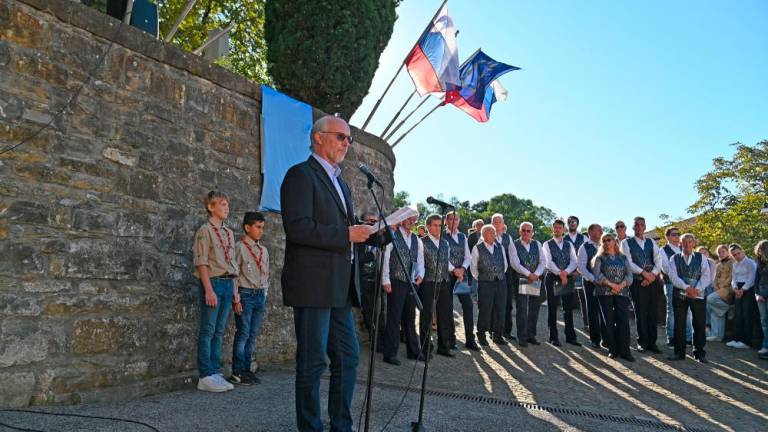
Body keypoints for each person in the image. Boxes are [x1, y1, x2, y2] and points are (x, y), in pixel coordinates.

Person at [280, 115, 384, 432]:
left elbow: (346, 231)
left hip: (339, 285)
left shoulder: (341, 183)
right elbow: (298, 228)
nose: (346, 144)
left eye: (349, 139)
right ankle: (310, 427)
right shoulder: (300, 175)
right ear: (318, 138)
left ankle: (341, 425)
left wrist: (374, 234)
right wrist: (345, 235)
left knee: (348, 358)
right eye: (341, 137)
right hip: (313, 285)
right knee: (312, 363)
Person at [193, 191, 238, 393]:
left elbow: (232, 263)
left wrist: (235, 290)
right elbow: (201, 262)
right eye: (222, 204)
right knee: (208, 329)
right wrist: (208, 290)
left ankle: (214, 370)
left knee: (219, 330)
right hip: (213, 282)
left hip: (228, 284)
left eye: (227, 204)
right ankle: (205, 374)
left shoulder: (229, 233)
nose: (226, 208)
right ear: (210, 207)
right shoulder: (205, 231)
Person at [229, 211, 270, 386]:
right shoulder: (239, 247)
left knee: (252, 335)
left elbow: (266, 272)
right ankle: (238, 371)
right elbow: (233, 274)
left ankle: (247, 369)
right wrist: (236, 298)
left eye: (263, 228)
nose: (261, 231)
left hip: (259, 294)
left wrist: (265, 292)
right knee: (243, 333)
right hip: (245, 294)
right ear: (247, 227)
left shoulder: (264, 250)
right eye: (258, 227)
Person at [381, 216, 424, 365]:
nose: (412, 222)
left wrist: (420, 274)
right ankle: (390, 353)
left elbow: (420, 261)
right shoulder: (393, 235)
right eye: (409, 219)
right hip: (395, 280)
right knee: (394, 318)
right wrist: (385, 279)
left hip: (410, 282)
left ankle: (414, 351)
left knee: (410, 318)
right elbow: (385, 258)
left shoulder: (416, 240)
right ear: (402, 219)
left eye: (414, 220)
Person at [620, 217, 663, 354]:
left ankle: (652, 343)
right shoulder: (626, 243)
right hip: (637, 282)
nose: (639, 227)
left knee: (653, 312)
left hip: (652, 281)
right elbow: (628, 262)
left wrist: (652, 275)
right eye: (636, 225)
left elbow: (658, 260)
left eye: (641, 225)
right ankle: (642, 342)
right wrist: (644, 273)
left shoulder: (651, 242)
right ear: (632, 227)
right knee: (640, 312)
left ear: (645, 227)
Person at [666, 234, 711, 363]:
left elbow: (707, 276)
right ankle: (679, 352)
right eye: (684, 242)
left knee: (699, 323)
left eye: (690, 242)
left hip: (698, 293)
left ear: (694, 243)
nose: (687, 244)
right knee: (679, 323)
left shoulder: (701, 257)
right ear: (680, 244)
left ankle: (699, 353)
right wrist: (687, 288)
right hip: (679, 294)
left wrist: (696, 289)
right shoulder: (673, 258)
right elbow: (673, 277)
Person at [591, 233, 635, 361]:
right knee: (608, 322)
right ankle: (613, 350)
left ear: (615, 241)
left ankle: (625, 351)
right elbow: (597, 276)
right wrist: (611, 285)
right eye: (604, 240)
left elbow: (629, 276)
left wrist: (620, 285)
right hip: (604, 293)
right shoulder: (599, 258)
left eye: (609, 240)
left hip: (622, 292)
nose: (606, 242)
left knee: (623, 321)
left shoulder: (623, 257)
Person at [418, 214, 456, 358]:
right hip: (428, 281)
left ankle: (443, 346)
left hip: (444, 282)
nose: (438, 228)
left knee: (445, 315)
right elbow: (420, 263)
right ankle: (426, 347)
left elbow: (447, 262)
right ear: (428, 226)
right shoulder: (421, 242)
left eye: (440, 225)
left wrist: (455, 270)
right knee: (426, 315)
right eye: (435, 225)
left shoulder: (445, 243)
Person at [542, 218, 581, 347]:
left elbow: (574, 261)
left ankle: (570, 337)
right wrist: (560, 273)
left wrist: (565, 273)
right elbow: (548, 262)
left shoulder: (569, 244)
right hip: (552, 277)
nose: (558, 229)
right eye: (555, 227)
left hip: (566, 277)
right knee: (552, 308)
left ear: (563, 229)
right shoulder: (547, 244)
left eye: (560, 227)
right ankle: (553, 337)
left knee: (568, 308)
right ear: (552, 229)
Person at [507, 222, 547, 346]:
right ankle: (522, 337)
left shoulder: (537, 244)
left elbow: (543, 261)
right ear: (519, 232)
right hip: (521, 279)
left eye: (528, 231)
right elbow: (515, 263)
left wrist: (536, 274)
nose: (525, 232)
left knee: (534, 308)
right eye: (523, 230)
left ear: (532, 233)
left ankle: (531, 335)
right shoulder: (514, 244)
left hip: (534, 279)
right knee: (522, 309)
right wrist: (529, 274)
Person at [445, 212, 479, 351]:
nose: (454, 221)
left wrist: (463, 269)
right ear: (446, 221)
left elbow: (468, 256)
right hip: (447, 275)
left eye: (456, 219)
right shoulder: (442, 236)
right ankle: (450, 339)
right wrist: (454, 269)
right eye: (451, 219)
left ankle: (470, 340)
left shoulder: (462, 237)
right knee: (447, 308)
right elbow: (442, 256)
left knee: (468, 306)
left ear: (459, 221)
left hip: (461, 275)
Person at [471, 224, 508, 346]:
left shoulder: (500, 247)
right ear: (484, 235)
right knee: (485, 310)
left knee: (501, 309)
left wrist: (498, 274)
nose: (494, 235)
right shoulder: (477, 248)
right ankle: (481, 335)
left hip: (501, 282)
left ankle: (497, 335)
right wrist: (483, 278)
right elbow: (473, 268)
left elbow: (505, 264)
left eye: (494, 233)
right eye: (491, 233)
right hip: (485, 283)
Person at [659, 227, 692, 347]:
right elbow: (666, 269)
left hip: (685, 285)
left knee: (687, 310)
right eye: (674, 235)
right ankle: (671, 337)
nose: (677, 236)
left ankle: (688, 337)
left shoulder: (683, 248)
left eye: (678, 234)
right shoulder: (663, 250)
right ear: (667, 237)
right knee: (672, 311)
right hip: (671, 284)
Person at [358, 211, 385, 351]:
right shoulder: (360, 238)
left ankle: (382, 340)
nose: (372, 224)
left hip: (378, 280)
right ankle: (376, 342)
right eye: (370, 221)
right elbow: (357, 259)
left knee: (381, 313)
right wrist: (371, 255)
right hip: (364, 280)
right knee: (369, 313)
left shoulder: (380, 239)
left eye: (375, 222)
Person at [577, 224, 608, 348]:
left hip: (606, 283)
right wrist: (593, 279)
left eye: (601, 230)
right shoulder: (584, 247)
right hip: (591, 283)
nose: (600, 232)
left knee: (606, 311)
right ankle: (595, 339)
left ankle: (607, 338)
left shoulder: (605, 245)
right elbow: (581, 267)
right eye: (598, 230)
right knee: (593, 311)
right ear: (590, 232)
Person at [491, 213, 517, 341]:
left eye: (498, 221)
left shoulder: (508, 238)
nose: (496, 224)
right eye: (494, 222)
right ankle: (492, 331)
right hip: (490, 274)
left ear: (503, 223)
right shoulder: (487, 235)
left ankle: (506, 331)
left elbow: (513, 257)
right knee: (492, 303)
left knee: (507, 303)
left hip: (506, 274)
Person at [727, 243, 757, 350]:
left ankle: (746, 342)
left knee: (746, 315)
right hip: (738, 289)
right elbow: (734, 278)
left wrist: (743, 289)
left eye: (738, 253)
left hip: (748, 290)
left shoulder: (750, 263)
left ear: (742, 251)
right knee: (738, 314)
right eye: (734, 255)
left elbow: (752, 278)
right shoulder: (735, 264)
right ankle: (737, 339)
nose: (737, 256)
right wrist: (735, 288)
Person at [565, 216, 589, 331]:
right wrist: (570, 270)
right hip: (567, 273)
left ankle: (587, 324)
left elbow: (586, 256)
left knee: (584, 300)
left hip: (580, 273)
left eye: (574, 222)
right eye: (569, 222)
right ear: (567, 224)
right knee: (567, 301)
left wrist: (578, 270)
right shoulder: (563, 238)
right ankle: (569, 327)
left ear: (577, 224)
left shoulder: (584, 238)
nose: (572, 223)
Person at [707, 245, 733, 342]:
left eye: (723, 251)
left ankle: (727, 308)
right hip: (719, 289)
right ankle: (717, 335)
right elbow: (715, 279)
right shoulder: (718, 265)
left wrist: (722, 285)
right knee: (716, 311)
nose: (721, 254)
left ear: (727, 252)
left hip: (728, 289)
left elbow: (732, 277)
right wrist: (715, 286)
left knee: (710, 299)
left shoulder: (732, 262)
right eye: (719, 253)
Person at [753, 240, 768, 359]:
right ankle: (765, 346)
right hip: (761, 294)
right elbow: (756, 280)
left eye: (760, 250)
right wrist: (757, 294)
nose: (758, 252)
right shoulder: (759, 263)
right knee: (764, 322)